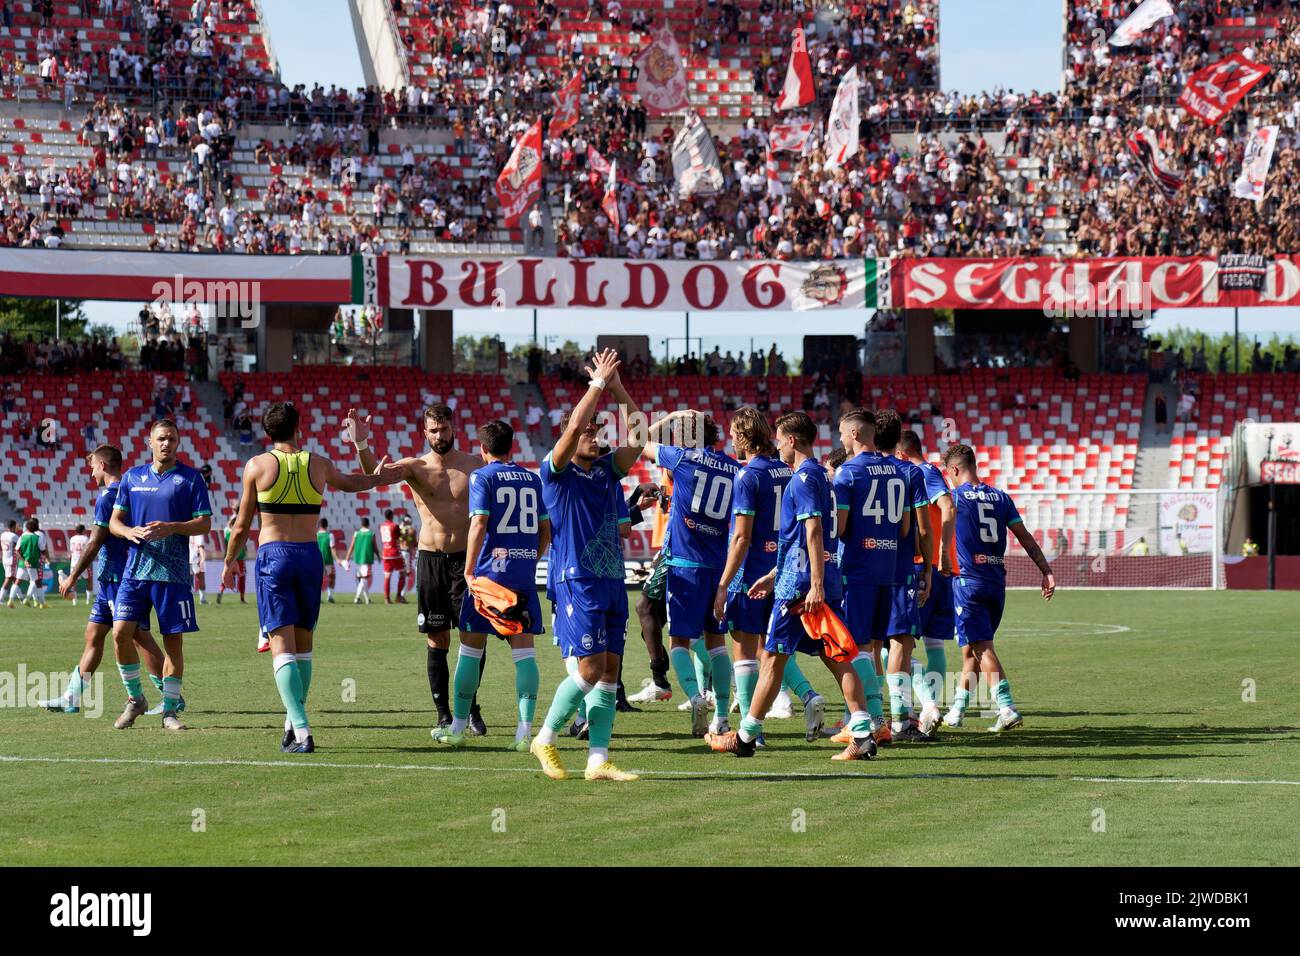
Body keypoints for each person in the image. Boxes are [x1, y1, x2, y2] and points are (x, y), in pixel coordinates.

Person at [224, 401, 401, 753]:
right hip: (309, 556)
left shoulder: (257, 465)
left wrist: (230, 560)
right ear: (298, 428)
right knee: (304, 646)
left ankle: (302, 731)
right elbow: (355, 484)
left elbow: (242, 524)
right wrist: (375, 472)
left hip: (274, 555)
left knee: (281, 645)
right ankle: (292, 723)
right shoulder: (318, 464)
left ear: (267, 432)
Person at [706, 412, 878, 761]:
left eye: (781, 439)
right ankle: (862, 733)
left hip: (800, 588)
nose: (778, 445)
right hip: (811, 578)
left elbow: (813, 529)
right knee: (836, 656)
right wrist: (774, 574)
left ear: (792, 441)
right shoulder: (822, 478)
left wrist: (811, 583)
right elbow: (799, 536)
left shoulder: (802, 477)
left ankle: (746, 735)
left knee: (771, 657)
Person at [530, 348, 646, 782]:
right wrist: (596, 385)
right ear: (570, 438)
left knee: (610, 673)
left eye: (599, 430)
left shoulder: (605, 471)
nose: (595, 434)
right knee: (589, 669)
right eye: (590, 431)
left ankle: (598, 759)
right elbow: (576, 423)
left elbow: (638, 436)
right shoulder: (555, 472)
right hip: (576, 579)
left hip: (612, 579)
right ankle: (545, 737)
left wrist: (617, 389)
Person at [346, 404, 489, 736]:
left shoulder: (474, 466)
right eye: (434, 430)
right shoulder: (415, 466)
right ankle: (443, 714)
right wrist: (362, 445)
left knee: (473, 640)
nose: (440, 435)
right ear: (425, 433)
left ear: (454, 428)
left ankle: (470, 708)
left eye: (445, 429)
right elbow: (375, 476)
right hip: (431, 561)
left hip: (467, 562)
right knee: (437, 640)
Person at [432, 419, 549, 752]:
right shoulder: (531, 478)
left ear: (483, 449)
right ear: (511, 446)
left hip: (487, 578)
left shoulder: (481, 476)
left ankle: (456, 728)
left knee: (470, 650)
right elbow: (545, 531)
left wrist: (468, 571)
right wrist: (529, 561)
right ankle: (524, 734)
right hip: (521, 578)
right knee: (524, 654)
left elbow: (479, 522)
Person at [40, 446, 167, 715]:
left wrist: (73, 575)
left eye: (92, 467)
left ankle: (171, 696)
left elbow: (96, 540)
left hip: (121, 577)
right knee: (94, 634)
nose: (91, 472)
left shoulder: (109, 496)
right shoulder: (131, 490)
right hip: (112, 577)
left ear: (102, 464)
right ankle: (72, 697)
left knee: (139, 636)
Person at [940, 443, 1055, 732]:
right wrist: (1046, 570)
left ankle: (1006, 708)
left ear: (954, 469)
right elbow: (1024, 536)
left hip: (969, 583)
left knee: (983, 649)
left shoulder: (953, 498)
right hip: (995, 584)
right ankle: (957, 709)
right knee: (972, 651)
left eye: (948, 473)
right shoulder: (1001, 497)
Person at [108, 418, 212, 731]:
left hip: (173, 574)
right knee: (120, 634)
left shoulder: (191, 479)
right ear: (150, 442)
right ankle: (136, 699)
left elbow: (205, 523)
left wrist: (172, 527)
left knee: (173, 646)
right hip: (135, 572)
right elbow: (115, 521)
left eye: (172, 439)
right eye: (161, 439)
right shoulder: (132, 477)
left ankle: (169, 712)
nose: (166, 444)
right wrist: (127, 532)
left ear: (178, 442)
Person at [641, 409, 740, 737]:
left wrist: (671, 416)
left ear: (686, 437)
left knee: (680, 641)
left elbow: (637, 439)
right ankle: (722, 716)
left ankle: (696, 697)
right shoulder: (733, 467)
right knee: (717, 643)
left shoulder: (682, 458)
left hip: (685, 565)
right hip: (719, 564)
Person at [711, 407, 796, 745]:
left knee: (745, 652)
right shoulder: (787, 472)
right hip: (783, 573)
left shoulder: (748, 476)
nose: (731, 440)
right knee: (774, 649)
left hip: (752, 575)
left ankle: (751, 730)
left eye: (733, 434)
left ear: (744, 437)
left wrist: (722, 584)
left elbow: (742, 537)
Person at [872, 410, 934, 742]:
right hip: (900, 568)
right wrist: (927, 566)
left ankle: (870, 717)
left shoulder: (862, 469)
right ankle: (901, 719)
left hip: (866, 567)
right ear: (899, 437)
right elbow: (923, 527)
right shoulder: (910, 472)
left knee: (869, 644)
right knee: (901, 642)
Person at [899, 429, 956, 735]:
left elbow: (947, 506)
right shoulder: (926, 471)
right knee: (934, 642)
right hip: (936, 567)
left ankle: (921, 707)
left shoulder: (921, 471)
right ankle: (927, 711)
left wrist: (942, 552)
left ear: (902, 453)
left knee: (895, 644)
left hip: (924, 567)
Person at [17, 517, 50, 608]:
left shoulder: (24, 535)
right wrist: (46, 558)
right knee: (36, 580)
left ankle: (39, 602)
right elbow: (43, 549)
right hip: (37, 560)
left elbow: (18, 549)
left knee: (36, 581)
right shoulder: (40, 535)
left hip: (25, 560)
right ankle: (31, 600)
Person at [218, 514, 247, 605]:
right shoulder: (238, 531)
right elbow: (243, 544)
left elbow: (225, 545)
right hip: (239, 557)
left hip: (230, 557)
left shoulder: (226, 531)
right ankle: (242, 598)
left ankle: (220, 592)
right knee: (241, 577)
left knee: (227, 576)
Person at [346, 518, 377, 604]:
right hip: (366, 559)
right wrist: (378, 555)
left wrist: (347, 558)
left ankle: (367, 599)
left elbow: (351, 546)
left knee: (363, 580)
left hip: (358, 559)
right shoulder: (371, 534)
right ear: (368, 524)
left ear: (361, 524)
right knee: (364, 579)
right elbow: (375, 547)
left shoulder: (356, 533)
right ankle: (357, 597)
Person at [379, 509, 405, 604]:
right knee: (402, 573)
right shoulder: (394, 526)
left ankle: (386, 598)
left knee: (387, 576)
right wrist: (402, 530)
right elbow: (399, 536)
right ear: (392, 516)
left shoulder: (381, 526)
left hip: (385, 553)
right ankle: (398, 596)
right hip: (394, 553)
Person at [67, 524, 91, 605]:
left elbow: (71, 551)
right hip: (83, 562)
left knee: (73, 582)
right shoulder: (85, 538)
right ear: (83, 530)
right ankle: (88, 600)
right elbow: (88, 551)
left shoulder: (72, 538)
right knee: (89, 580)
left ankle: (74, 601)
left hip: (74, 563)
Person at [318, 518, 340, 602]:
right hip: (328, 561)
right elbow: (332, 549)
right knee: (332, 577)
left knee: (318, 579)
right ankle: (330, 596)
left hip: (318, 561)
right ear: (326, 525)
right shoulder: (330, 535)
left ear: (319, 525)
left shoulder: (315, 535)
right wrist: (337, 559)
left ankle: (318, 598)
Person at [1, 519, 19, 605]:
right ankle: (0, 598)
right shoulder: (14, 536)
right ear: (12, 526)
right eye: (16, 526)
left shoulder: (3, 535)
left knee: (14, 579)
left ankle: (21, 598)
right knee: (9, 579)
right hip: (11, 560)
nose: (17, 528)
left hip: (5, 558)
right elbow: (19, 547)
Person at [189, 528, 208, 605]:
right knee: (201, 578)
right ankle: (202, 599)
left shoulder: (187, 532)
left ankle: (188, 598)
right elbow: (201, 547)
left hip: (187, 557)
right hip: (196, 558)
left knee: (188, 580)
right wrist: (203, 559)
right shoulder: (199, 533)